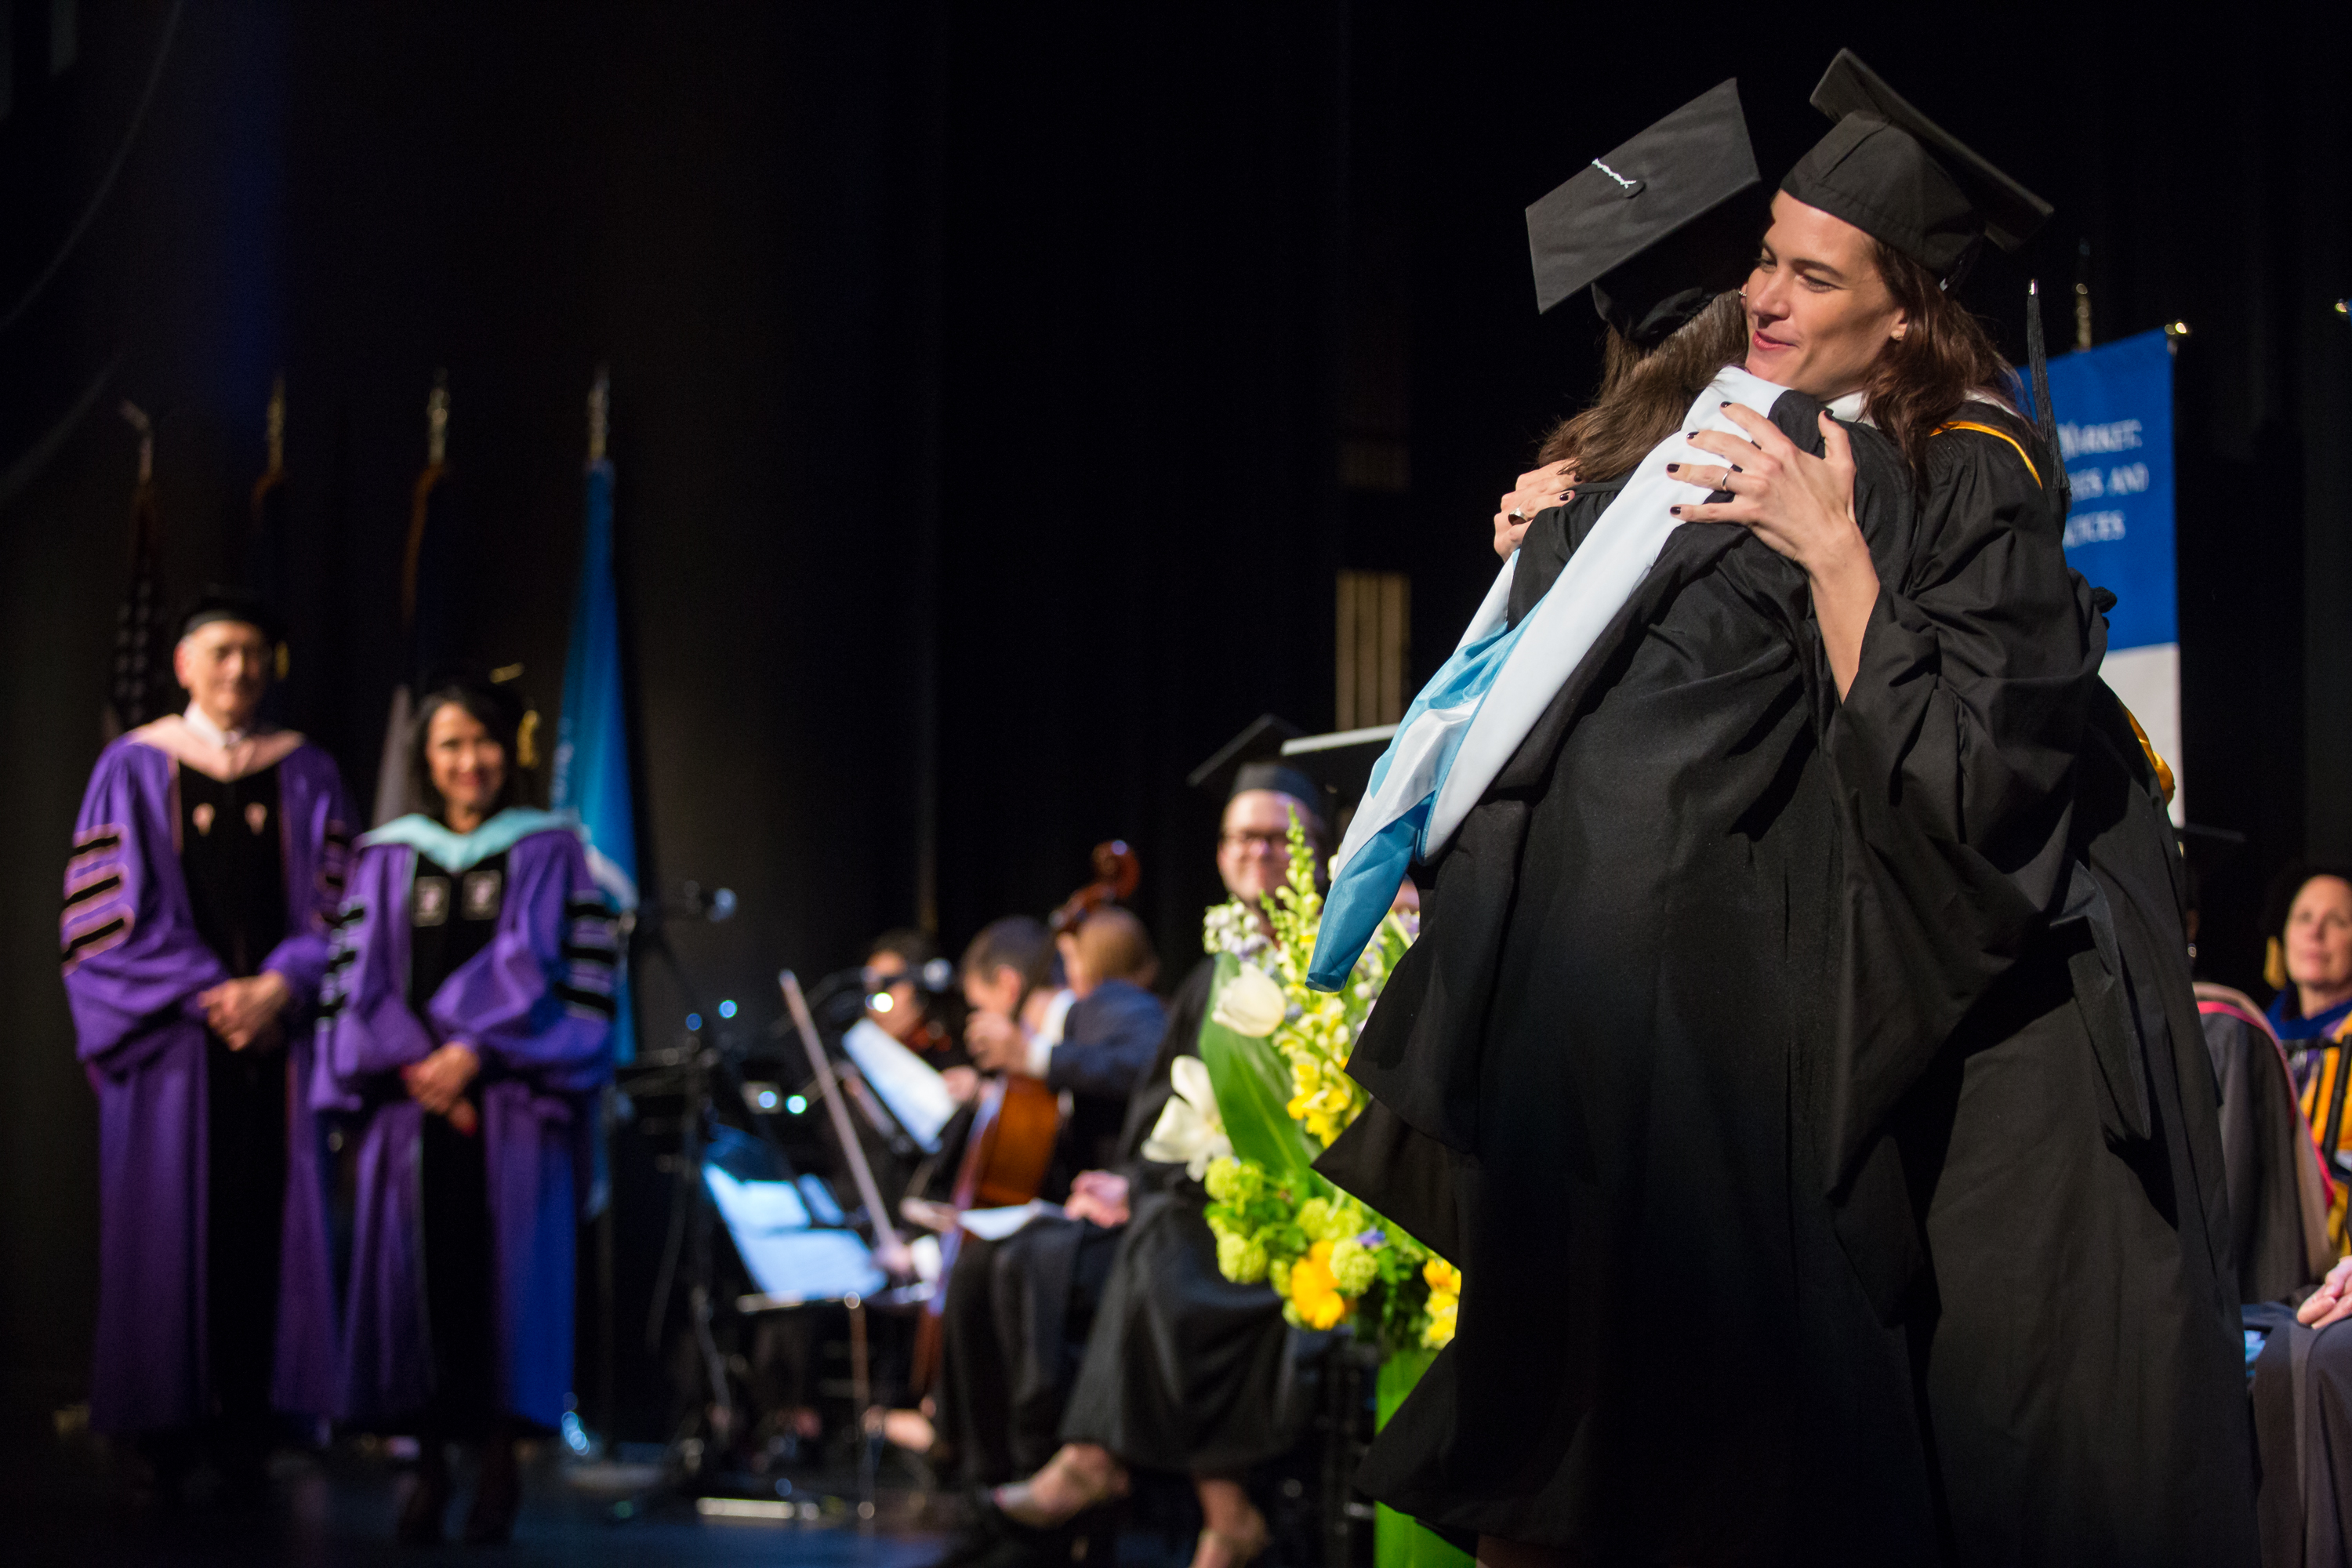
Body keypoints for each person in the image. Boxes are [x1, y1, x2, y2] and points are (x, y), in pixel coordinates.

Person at [1316, 56, 2252, 1566]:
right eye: (1764, 255)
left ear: (1909, 305)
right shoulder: (1807, 435)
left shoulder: (1967, 470)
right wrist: (1570, 533)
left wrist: (1835, 565)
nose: (1763, 293)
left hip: (2022, 1049)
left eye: (1810, 273)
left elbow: (1961, 795)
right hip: (1791, 1005)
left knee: (2005, 1444)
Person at [985, 732, 1334, 1568]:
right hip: (1202, 1194)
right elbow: (1164, 1099)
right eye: (1240, 836)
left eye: (1275, 835)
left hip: (1304, 1198)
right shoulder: (1214, 971)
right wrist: (1129, 1179)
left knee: (1155, 1248)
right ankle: (1207, 1506)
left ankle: (1113, 1468)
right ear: (1219, 854)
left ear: (1315, 850)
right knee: (1069, 1247)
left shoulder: (1334, 951)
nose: (1255, 850)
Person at [62, 590, 354, 1501]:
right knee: (162, 1228)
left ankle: (259, 1418)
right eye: (223, 651)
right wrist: (207, 991)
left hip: (281, 1044)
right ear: (186, 664)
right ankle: (161, 1422)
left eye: (256, 653)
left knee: (269, 1223)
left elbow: (346, 912)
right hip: (171, 1051)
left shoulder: (309, 772)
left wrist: (281, 983)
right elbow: (99, 925)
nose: (241, 669)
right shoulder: (133, 765)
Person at [315, 671, 616, 1544]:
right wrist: (420, 1062)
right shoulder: (386, 853)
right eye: (450, 743)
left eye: (483, 741)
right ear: (426, 756)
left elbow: (582, 981)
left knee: (502, 1292)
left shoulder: (556, 851)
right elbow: (354, 978)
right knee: (417, 1291)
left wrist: (472, 1050)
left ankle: (494, 1467)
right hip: (410, 1115)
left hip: (514, 1109)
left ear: (507, 753)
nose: (469, 760)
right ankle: (429, 1468)